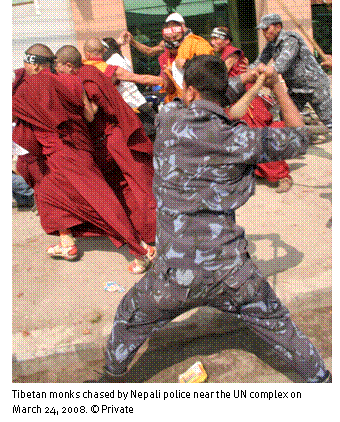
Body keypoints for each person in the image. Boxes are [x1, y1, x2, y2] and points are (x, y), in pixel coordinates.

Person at [84, 54, 331, 383]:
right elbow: (300, 138)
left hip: (172, 276)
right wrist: (277, 86)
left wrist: (245, 81)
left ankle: (111, 378)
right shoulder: (240, 139)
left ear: (188, 91)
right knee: (280, 327)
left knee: (129, 315)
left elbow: (210, 97)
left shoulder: (168, 117)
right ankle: (319, 377)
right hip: (232, 274)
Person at [13, 44, 155, 270]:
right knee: (46, 191)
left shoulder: (23, 89)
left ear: (35, 64)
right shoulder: (71, 81)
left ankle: (139, 248)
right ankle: (66, 241)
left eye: (26, 63)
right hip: (71, 150)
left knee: (98, 202)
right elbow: (89, 115)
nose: (24, 67)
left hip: (65, 153)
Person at [54, 45, 157, 273]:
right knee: (124, 186)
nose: (56, 70)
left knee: (139, 183)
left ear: (68, 65)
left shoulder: (85, 80)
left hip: (117, 134)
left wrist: (77, 95)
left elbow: (90, 115)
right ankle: (143, 231)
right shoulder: (93, 71)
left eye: (58, 65)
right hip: (109, 136)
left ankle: (151, 241)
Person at [210, 26, 293, 193]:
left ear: (227, 40)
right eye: (212, 38)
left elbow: (221, 74)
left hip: (248, 102)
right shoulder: (224, 55)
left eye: (217, 38)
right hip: (239, 101)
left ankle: (282, 175)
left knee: (258, 136)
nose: (213, 42)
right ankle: (256, 171)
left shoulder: (231, 53)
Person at [250, 13, 332, 132]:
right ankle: (296, 144)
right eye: (263, 30)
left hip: (314, 86)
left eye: (267, 29)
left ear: (278, 27)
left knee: (329, 121)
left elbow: (280, 66)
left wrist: (261, 73)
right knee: (286, 117)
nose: (264, 33)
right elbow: (259, 62)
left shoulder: (291, 40)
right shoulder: (271, 45)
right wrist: (245, 73)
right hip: (296, 89)